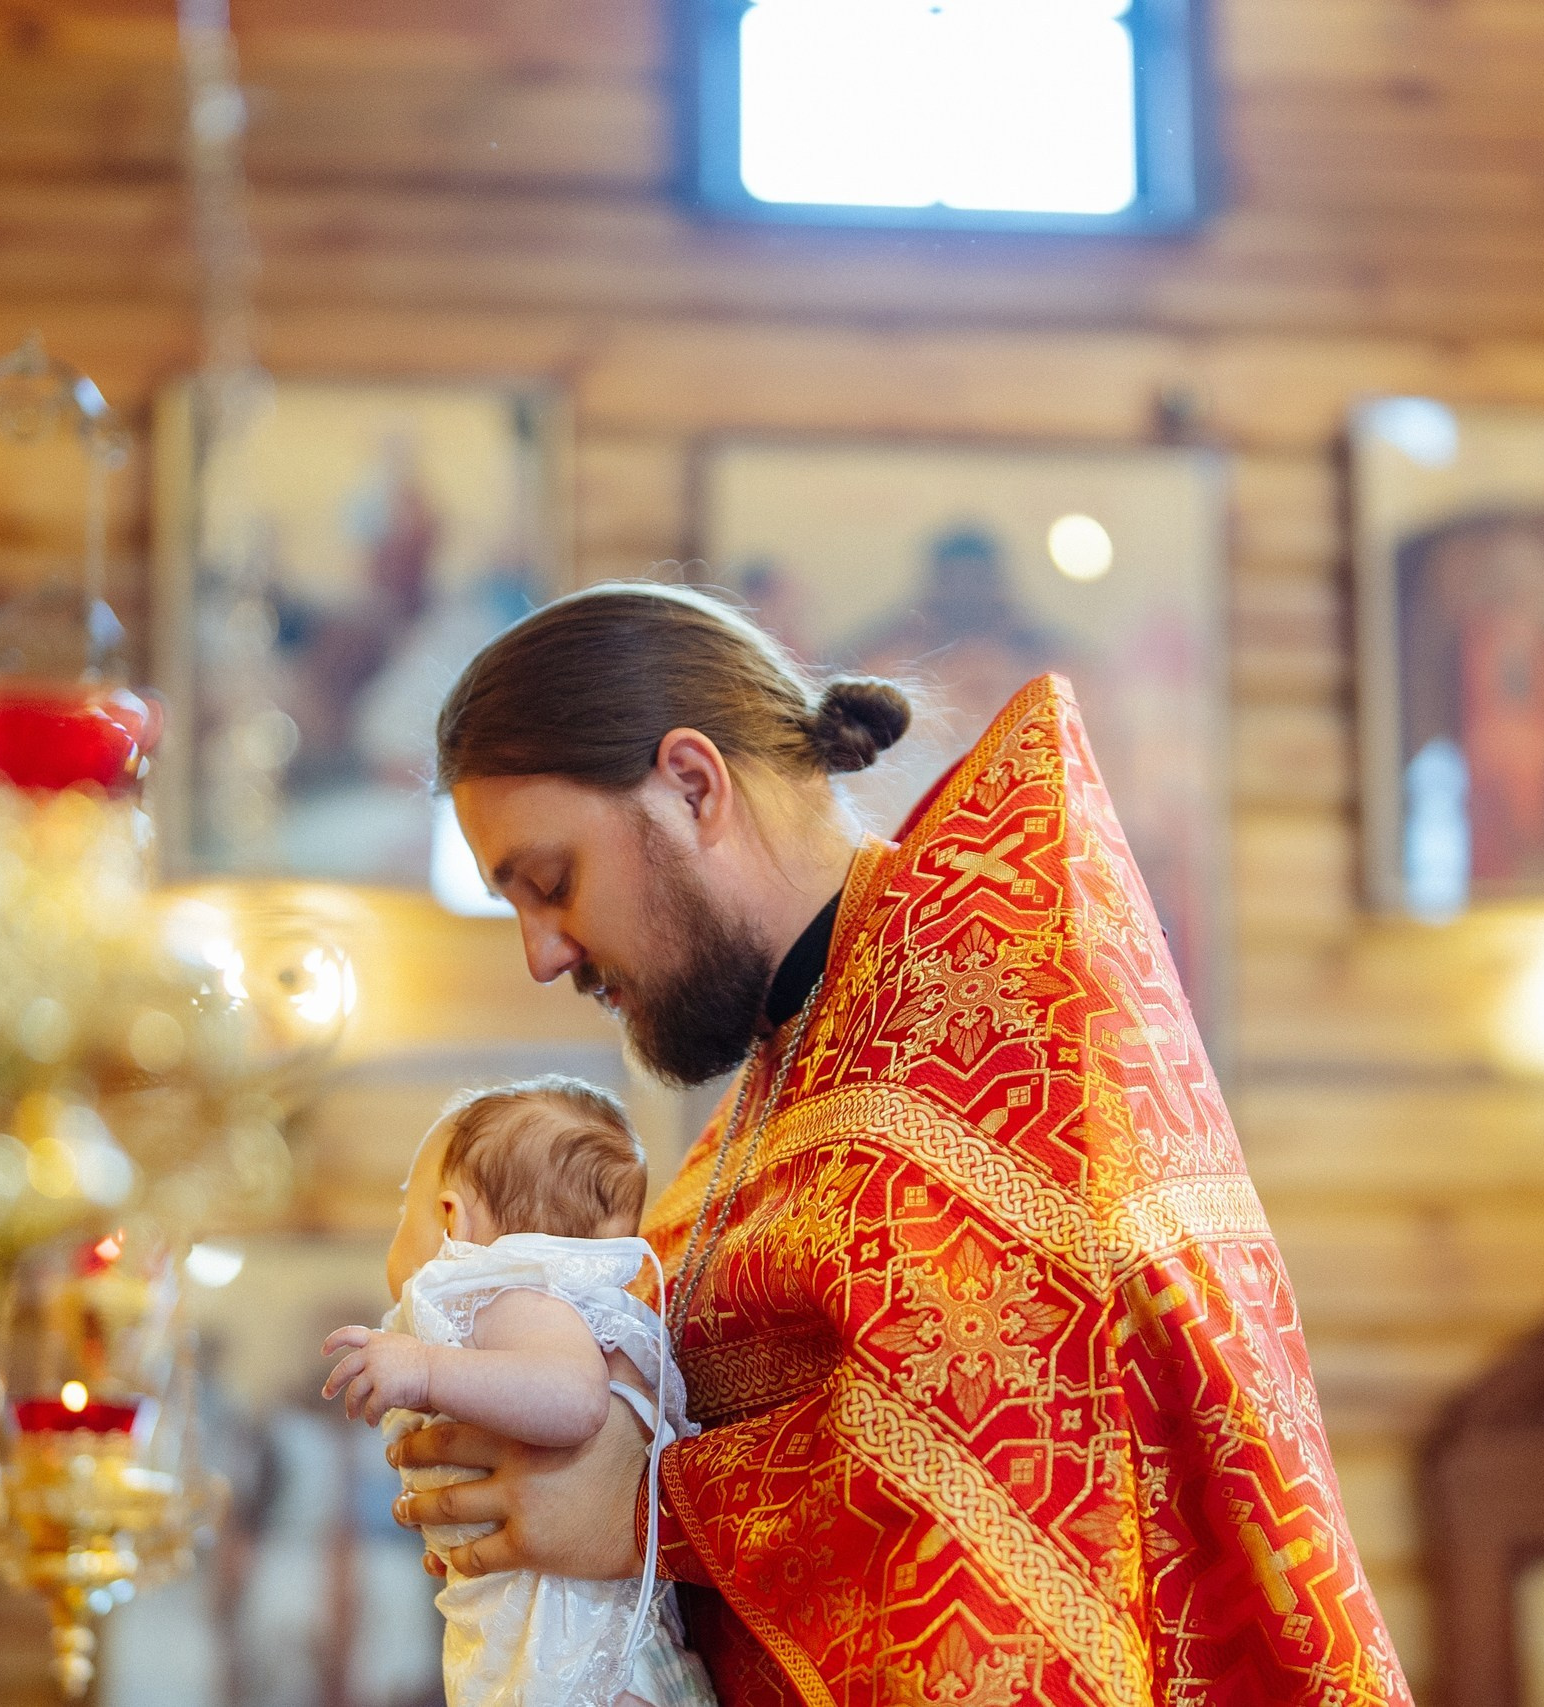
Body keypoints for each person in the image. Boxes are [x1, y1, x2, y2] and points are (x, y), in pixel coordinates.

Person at [391, 582, 1411, 1707]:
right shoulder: (794, 1061)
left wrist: (648, 1507)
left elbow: (1017, 1450)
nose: (542, 954)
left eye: (550, 883)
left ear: (691, 784)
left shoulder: (985, 1000)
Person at [322, 1076, 713, 1707]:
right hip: (541, 1612)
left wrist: (423, 1369)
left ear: (453, 1218)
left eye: (405, 1211)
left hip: (576, 1632)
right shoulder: (513, 1314)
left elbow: (576, 1400)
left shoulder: (508, 1297)